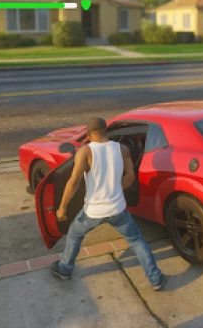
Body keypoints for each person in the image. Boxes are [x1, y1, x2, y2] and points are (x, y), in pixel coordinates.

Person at [50, 117, 166, 290]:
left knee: (74, 234)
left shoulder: (86, 152)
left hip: (93, 212)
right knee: (136, 241)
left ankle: (64, 269)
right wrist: (115, 189)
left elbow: (73, 182)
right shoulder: (122, 149)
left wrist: (62, 208)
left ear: (89, 134)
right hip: (118, 210)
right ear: (106, 131)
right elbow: (130, 177)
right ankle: (155, 279)